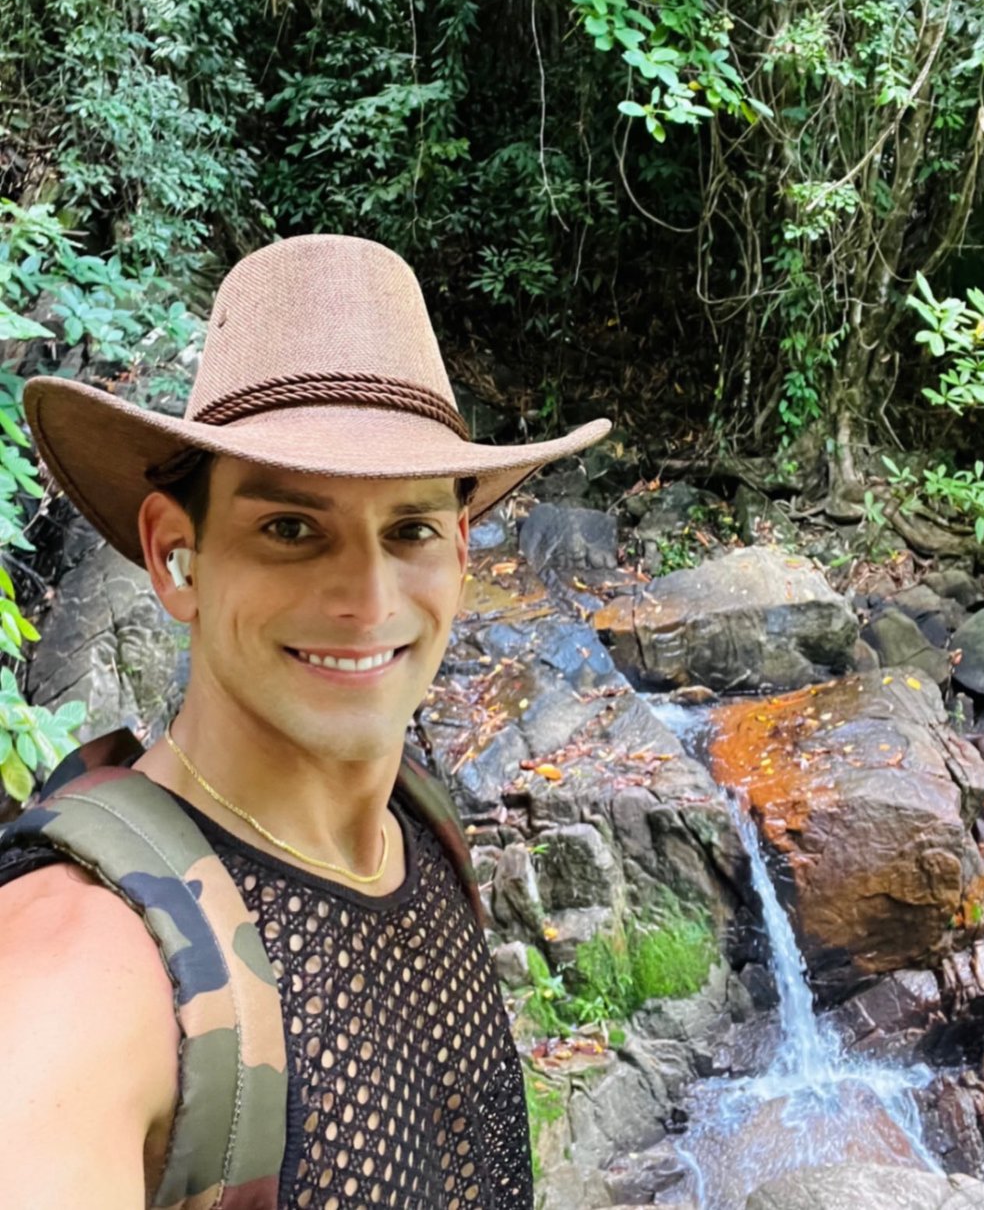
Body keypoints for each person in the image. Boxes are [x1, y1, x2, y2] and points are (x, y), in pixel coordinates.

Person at [0, 235, 609, 1210]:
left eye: (406, 528)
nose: (366, 600)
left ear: (458, 551)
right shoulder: (80, 967)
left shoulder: (421, 824)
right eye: (291, 527)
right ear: (174, 555)